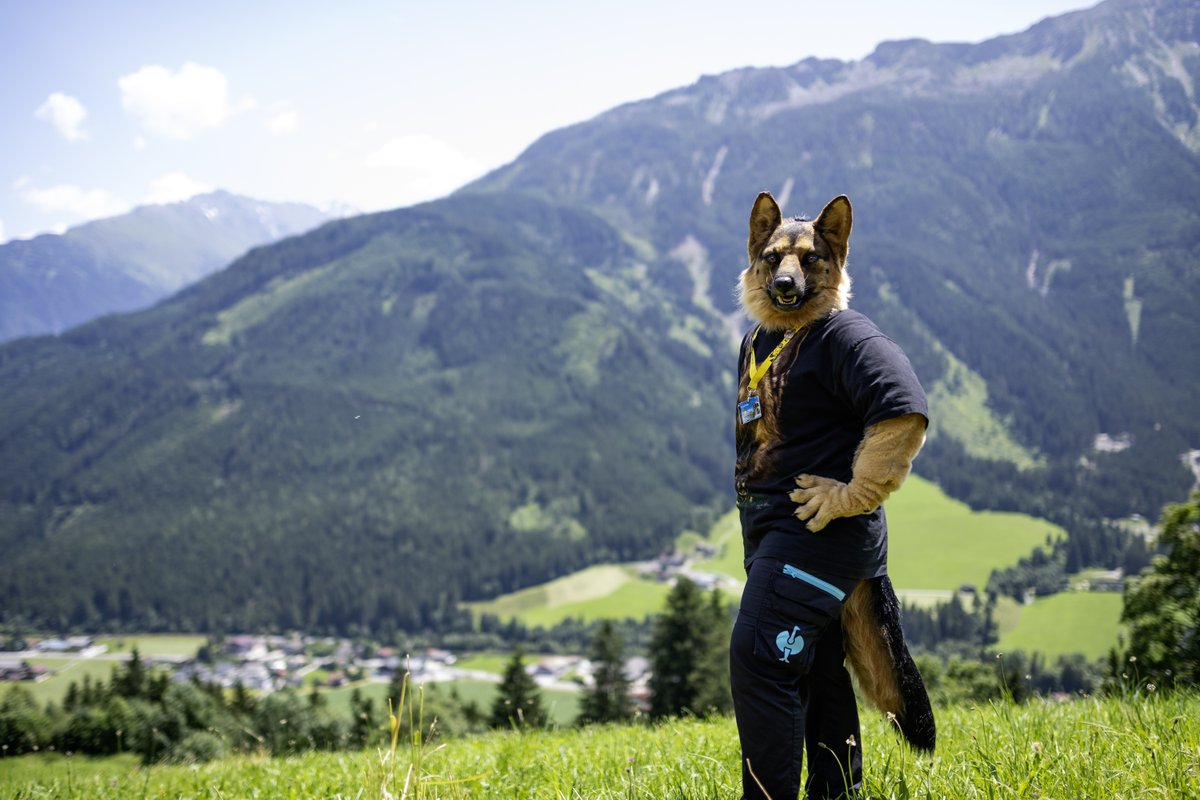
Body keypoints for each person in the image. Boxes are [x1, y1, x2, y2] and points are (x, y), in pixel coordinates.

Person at [730, 192, 928, 800]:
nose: (789, 270)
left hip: (818, 536)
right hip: (779, 534)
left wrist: (853, 494)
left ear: (835, 258)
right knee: (815, 670)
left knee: (761, 655)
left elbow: (904, 409)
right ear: (756, 262)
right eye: (774, 257)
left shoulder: (845, 334)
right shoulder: (758, 341)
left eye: (810, 259)